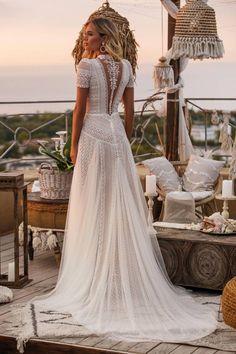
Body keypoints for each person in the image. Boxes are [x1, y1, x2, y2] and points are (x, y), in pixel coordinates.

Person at [17, 17, 217, 351]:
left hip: (94, 136)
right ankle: (116, 274)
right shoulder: (126, 66)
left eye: (90, 35)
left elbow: (80, 110)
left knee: (93, 203)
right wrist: (122, 140)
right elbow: (128, 113)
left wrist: (73, 146)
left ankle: (97, 276)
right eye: (85, 34)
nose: (85, 40)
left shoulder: (86, 66)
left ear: (104, 37)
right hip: (116, 139)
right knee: (117, 203)